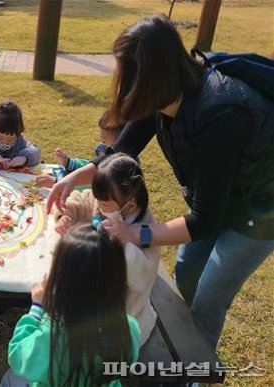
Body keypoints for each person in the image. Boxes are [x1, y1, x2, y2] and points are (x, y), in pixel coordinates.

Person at [46, 14, 274, 349]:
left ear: (151, 76)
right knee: (186, 271)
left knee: (210, 298)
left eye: (127, 76)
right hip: (218, 199)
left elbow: (205, 220)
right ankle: (193, 336)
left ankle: (195, 369)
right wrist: (75, 177)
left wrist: (136, 233)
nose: (122, 85)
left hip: (259, 212)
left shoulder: (222, 114)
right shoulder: (164, 94)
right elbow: (122, 149)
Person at [1, 224, 140, 386]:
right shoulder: (129, 330)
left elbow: (17, 355)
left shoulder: (49, 339)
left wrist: (36, 308)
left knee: (10, 379)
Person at [54, 153, 160, 346]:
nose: (100, 208)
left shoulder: (146, 231)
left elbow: (143, 276)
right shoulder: (106, 201)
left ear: (131, 206)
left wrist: (123, 244)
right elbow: (82, 199)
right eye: (99, 201)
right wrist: (66, 215)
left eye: (104, 204)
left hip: (123, 319)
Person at [36, 111, 124, 188]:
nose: (101, 143)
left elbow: (92, 184)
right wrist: (69, 162)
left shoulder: (120, 169)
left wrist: (58, 182)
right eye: (100, 137)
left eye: (104, 140)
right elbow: (91, 166)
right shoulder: (107, 150)